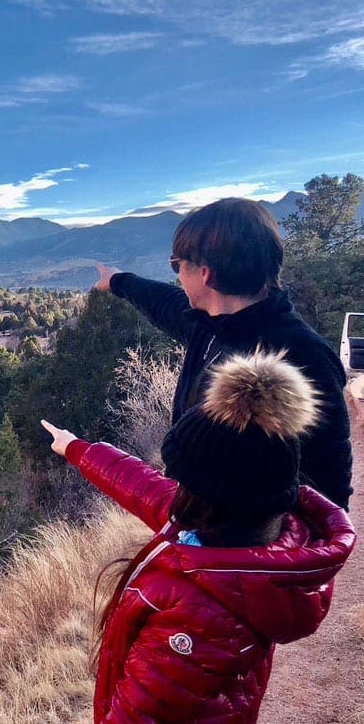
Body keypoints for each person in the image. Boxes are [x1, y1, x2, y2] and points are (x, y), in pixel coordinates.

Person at [41, 350, 356, 724]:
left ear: (210, 497)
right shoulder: (245, 540)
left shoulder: (198, 621)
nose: (173, 481)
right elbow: (146, 488)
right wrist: (79, 450)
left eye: (183, 477)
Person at [94, 197, 352, 509]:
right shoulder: (209, 325)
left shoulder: (305, 357)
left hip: (251, 548)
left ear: (205, 274)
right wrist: (118, 281)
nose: (176, 275)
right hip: (205, 526)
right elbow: (163, 301)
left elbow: (330, 485)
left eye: (177, 265)